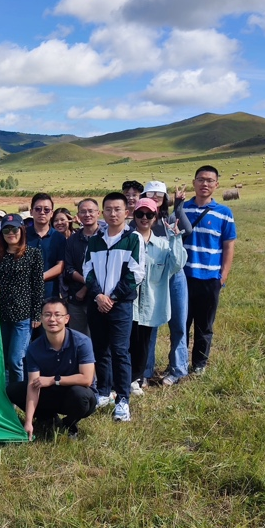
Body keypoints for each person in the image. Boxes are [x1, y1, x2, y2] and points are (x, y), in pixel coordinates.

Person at [83, 192, 145, 423]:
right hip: (97, 303)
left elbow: (136, 273)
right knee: (100, 350)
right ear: (103, 212)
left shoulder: (134, 239)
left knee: (120, 352)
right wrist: (98, 295)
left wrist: (113, 297)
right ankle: (103, 392)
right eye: (108, 209)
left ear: (126, 212)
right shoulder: (95, 240)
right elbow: (87, 269)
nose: (113, 213)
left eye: (117, 209)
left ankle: (122, 400)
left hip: (120, 306)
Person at [5, 298, 98, 440]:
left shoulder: (82, 342)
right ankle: (47, 418)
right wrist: (28, 422)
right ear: (41, 319)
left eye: (57, 315)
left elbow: (86, 379)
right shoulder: (34, 348)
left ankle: (69, 424)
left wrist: (53, 380)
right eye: (47, 315)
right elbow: (33, 385)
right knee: (13, 390)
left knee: (80, 396)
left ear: (67, 319)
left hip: (76, 393)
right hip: (50, 392)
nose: (52, 319)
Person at [182, 165, 237, 376]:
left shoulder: (224, 213)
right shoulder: (182, 209)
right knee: (181, 325)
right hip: (184, 277)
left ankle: (199, 365)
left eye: (209, 180)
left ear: (216, 185)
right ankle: (179, 363)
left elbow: (228, 246)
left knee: (204, 326)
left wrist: (223, 276)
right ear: (194, 182)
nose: (204, 184)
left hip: (210, 278)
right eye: (201, 179)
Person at [130, 198, 186, 393]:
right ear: (134, 216)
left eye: (149, 214)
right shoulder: (126, 241)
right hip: (129, 303)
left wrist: (175, 238)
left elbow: (177, 264)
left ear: (155, 217)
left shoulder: (163, 245)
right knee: (126, 342)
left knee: (144, 342)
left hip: (150, 304)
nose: (144, 218)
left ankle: (138, 378)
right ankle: (124, 378)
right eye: (140, 214)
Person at [143, 181, 193, 384]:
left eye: (160, 194)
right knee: (149, 325)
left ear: (165, 198)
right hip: (151, 278)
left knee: (179, 323)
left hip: (174, 275)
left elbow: (187, 230)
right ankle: (145, 371)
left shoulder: (170, 219)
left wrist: (179, 206)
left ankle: (178, 369)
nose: (155, 197)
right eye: (150, 193)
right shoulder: (141, 220)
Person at [0, 214, 44, 383]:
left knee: (15, 360)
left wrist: (36, 314)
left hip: (23, 316)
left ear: (22, 230)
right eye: (6, 230)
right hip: (3, 315)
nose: (10, 233)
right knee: (4, 358)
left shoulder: (33, 254)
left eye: (14, 229)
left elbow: (38, 286)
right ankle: (7, 393)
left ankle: (18, 393)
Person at [62, 199, 100, 336]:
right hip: (76, 298)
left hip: (99, 298)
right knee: (77, 338)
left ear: (98, 213)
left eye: (91, 211)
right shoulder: (72, 240)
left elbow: (104, 270)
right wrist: (85, 283)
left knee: (98, 338)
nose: (87, 215)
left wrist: (86, 288)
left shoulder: (106, 238)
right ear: (78, 215)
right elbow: (68, 268)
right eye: (83, 212)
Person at [26, 193, 67, 299]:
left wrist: (39, 278)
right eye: (38, 209)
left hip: (50, 294)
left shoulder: (59, 238)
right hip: (24, 293)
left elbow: (60, 265)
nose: (42, 212)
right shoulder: (22, 235)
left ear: (52, 213)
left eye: (46, 210)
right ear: (31, 212)